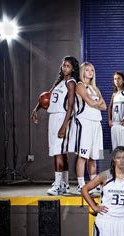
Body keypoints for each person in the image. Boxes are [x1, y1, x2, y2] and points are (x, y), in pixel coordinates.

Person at [31, 56, 82, 195]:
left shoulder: (71, 82)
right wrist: (36, 109)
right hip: (53, 118)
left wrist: (64, 126)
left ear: (73, 69)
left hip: (61, 118)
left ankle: (58, 185)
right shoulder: (59, 82)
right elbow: (46, 97)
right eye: (63, 65)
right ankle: (64, 184)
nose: (64, 68)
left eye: (68, 66)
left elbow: (71, 106)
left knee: (58, 152)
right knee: (59, 152)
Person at [74, 62, 106, 194]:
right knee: (83, 155)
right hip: (85, 122)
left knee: (94, 156)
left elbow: (104, 106)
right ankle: (81, 185)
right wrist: (96, 103)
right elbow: (90, 101)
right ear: (82, 72)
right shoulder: (80, 85)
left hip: (96, 122)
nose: (90, 72)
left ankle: (93, 184)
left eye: (92, 70)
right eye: (87, 70)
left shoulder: (95, 88)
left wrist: (96, 104)